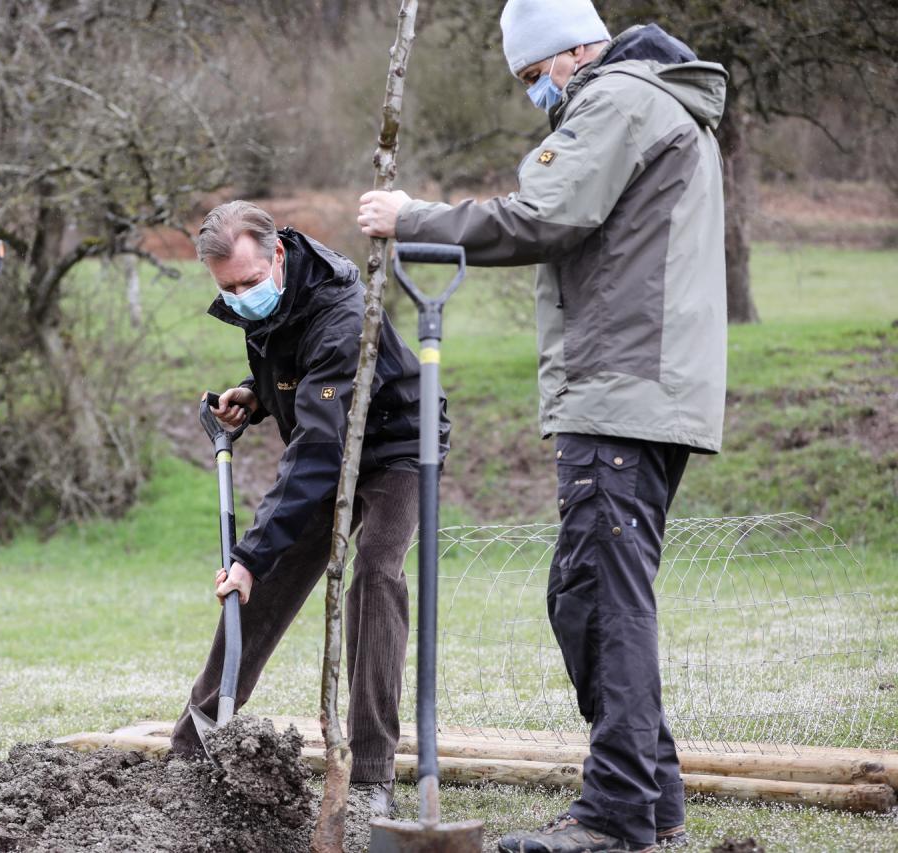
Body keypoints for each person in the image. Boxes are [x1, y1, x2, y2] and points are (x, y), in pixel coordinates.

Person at [358, 1, 727, 850]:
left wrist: (413, 218)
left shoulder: (618, 100)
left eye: (533, 77)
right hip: (642, 384)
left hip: (624, 386)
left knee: (602, 598)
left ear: (572, 52)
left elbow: (542, 216)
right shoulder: (656, 101)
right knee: (587, 592)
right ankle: (654, 797)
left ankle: (615, 814)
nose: (536, 95)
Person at [169, 201, 449, 817]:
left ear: (276, 254)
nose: (240, 297)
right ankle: (191, 752)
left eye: (247, 283)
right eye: (227, 289)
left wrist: (246, 553)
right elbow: (299, 378)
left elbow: (320, 446)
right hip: (326, 444)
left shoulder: (343, 310)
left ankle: (372, 776)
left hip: (396, 449)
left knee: (375, 573)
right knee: (258, 585)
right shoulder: (273, 298)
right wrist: (259, 394)